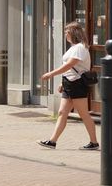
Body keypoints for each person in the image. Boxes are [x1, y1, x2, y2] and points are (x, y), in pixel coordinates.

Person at [38, 21, 99, 150]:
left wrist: (51, 74)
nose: (66, 35)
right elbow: (71, 69)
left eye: (67, 32)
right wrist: (62, 82)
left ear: (74, 33)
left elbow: (70, 65)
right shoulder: (73, 47)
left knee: (83, 114)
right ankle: (52, 141)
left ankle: (94, 142)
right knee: (62, 112)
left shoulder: (80, 48)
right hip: (69, 83)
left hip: (77, 84)